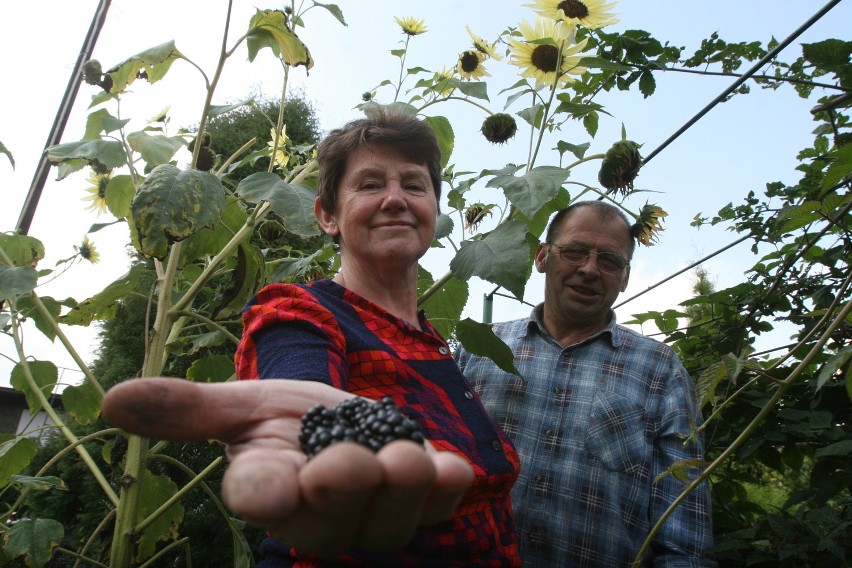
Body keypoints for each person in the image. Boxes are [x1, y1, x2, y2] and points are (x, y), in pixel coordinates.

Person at [103, 105, 521, 567]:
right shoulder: (301, 310)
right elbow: (300, 372)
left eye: (414, 185)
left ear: (433, 210)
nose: (396, 198)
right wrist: (303, 427)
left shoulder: (430, 340)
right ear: (327, 216)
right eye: (370, 184)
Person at [455, 200, 715, 567]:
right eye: (574, 252)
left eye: (610, 261)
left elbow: (684, 538)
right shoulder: (479, 350)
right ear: (542, 257)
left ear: (624, 277)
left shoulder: (660, 369)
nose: (590, 270)